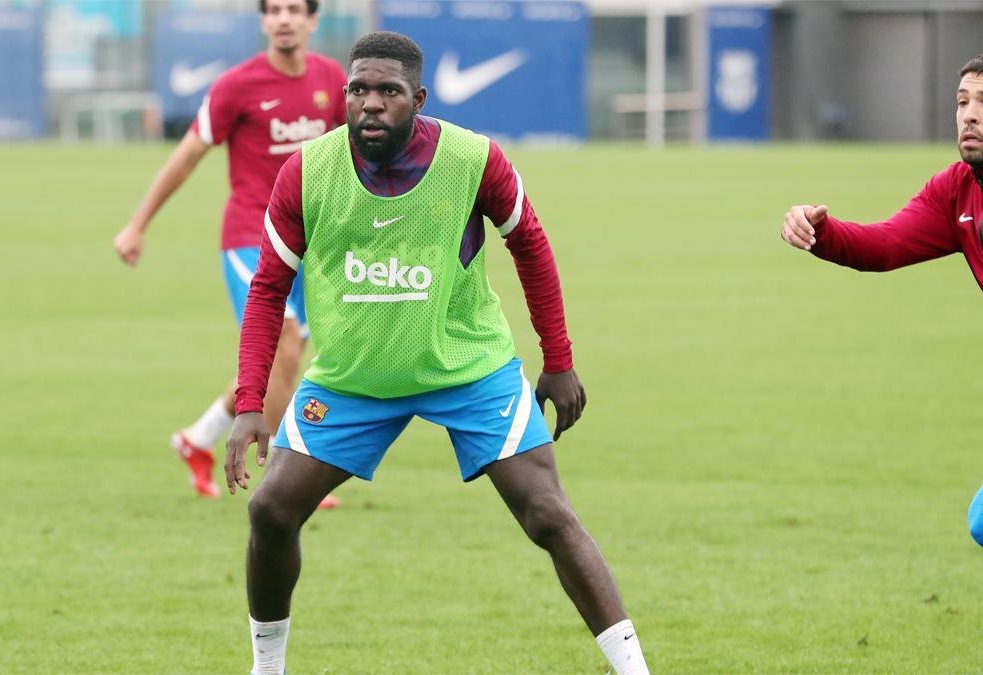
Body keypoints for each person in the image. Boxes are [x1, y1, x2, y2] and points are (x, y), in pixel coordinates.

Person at [225, 31, 650, 675]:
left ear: (418, 99)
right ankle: (266, 667)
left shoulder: (474, 159)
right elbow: (267, 289)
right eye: (358, 90)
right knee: (270, 509)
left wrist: (558, 359)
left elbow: (531, 246)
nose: (370, 104)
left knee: (548, 516)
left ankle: (634, 670)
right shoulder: (307, 171)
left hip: (466, 366)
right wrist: (249, 401)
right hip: (354, 376)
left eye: (388, 92)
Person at [113, 0, 344, 506]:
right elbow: (187, 156)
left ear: (312, 20)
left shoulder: (332, 81)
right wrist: (137, 224)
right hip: (251, 238)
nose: (283, 18)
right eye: (274, 10)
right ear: (263, 21)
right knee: (281, 343)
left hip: (313, 242)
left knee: (277, 365)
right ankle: (290, 475)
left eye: (294, 9)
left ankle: (197, 439)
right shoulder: (238, 86)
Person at [779, 54, 983, 545]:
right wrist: (820, 231)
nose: (970, 114)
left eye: (982, 103)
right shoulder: (956, 191)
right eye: (962, 102)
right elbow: (885, 244)